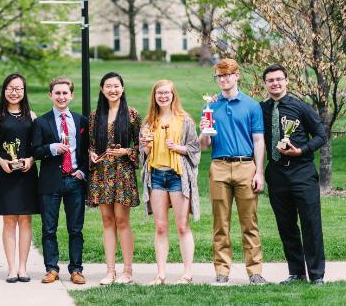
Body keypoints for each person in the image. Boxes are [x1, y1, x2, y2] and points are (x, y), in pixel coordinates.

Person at [199, 58, 266, 285]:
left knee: (250, 222)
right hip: (219, 166)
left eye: (228, 75)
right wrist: (204, 131)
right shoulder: (211, 105)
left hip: (246, 166)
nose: (224, 79)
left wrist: (259, 173)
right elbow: (204, 146)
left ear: (237, 76)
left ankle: (255, 271)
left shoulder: (251, 105)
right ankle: (222, 271)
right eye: (219, 76)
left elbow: (258, 140)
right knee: (221, 223)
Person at [260, 64, 326, 285]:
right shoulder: (261, 109)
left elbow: (320, 135)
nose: (275, 83)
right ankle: (296, 272)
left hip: (302, 172)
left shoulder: (301, 107)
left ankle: (316, 275)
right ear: (265, 84)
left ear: (287, 81)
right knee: (286, 225)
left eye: (279, 79)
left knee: (310, 224)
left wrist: (302, 150)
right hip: (276, 174)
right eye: (271, 80)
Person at [138, 80, 200, 285]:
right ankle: (161, 274)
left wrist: (177, 147)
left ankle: (188, 272)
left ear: (174, 95)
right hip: (156, 176)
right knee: (161, 227)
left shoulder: (185, 120)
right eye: (159, 93)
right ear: (154, 96)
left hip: (177, 176)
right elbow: (143, 156)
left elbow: (195, 149)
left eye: (167, 93)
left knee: (183, 226)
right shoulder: (149, 122)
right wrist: (146, 147)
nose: (163, 96)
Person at [32, 77, 89, 285]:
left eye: (65, 93)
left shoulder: (81, 121)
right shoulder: (41, 122)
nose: (61, 97)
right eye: (57, 93)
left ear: (71, 95)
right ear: (50, 95)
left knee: (75, 228)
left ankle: (76, 269)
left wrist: (82, 171)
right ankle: (51, 268)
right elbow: (35, 151)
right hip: (50, 181)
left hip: (75, 180)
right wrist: (51, 148)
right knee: (49, 228)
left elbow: (86, 151)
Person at [87, 72, 141, 285]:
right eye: (108, 86)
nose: (113, 89)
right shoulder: (94, 116)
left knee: (122, 220)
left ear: (123, 88)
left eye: (116, 86)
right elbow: (90, 144)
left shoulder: (132, 115)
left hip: (123, 174)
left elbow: (141, 146)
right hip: (101, 174)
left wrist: (127, 151)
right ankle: (110, 271)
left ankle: (127, 271)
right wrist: (91, 153)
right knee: (107, 221)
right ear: (102, 90)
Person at [0, 73, 39, 283]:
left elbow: (37, 147)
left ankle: (23, 268)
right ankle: (11, 268)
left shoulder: (32, 116)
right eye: (10, 88)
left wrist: (31, 160)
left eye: (18, 88)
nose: (14, 92)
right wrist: (1, 162)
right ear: (4, 90)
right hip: (6, 173)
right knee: (9, 221)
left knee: (26, 220)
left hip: (27, 174)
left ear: (24, 91)